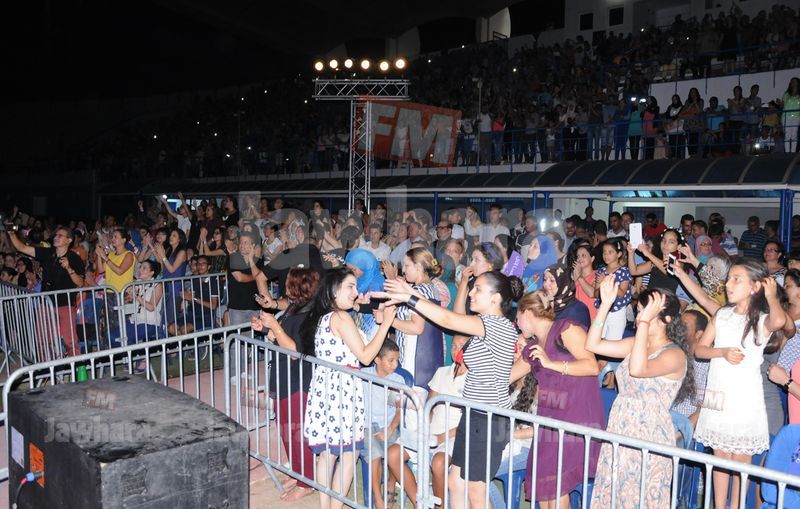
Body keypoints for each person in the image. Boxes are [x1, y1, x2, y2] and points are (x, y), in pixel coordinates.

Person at [375, 271, 519, 509]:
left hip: (489, 419)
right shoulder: (484, 325)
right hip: (473, 415)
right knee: (455, 481)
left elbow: (448, 319)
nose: (471, 293)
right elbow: (451, 316)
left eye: (478, 289)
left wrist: (411, 298)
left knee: (476, 490)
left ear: (495, 298)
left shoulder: (497, 325)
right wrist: (411, 293)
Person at [587, 279, 691, 508]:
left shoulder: (675, 355)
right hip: (621, 427)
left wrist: (642, 323)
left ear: (666, 319)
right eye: (640, 310)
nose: (639, 315)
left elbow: (638, 369)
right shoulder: (635, 343)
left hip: (650, 435)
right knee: (612, 496)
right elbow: (592, 345)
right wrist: (605, 305)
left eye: (646, 311)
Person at [302, 268, 397, 509]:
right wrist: (386, 324)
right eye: (350, 287)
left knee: (328, 453)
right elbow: (365, 356)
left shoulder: (325, 317)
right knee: (347, 453)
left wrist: (368, 314)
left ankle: (326, 506)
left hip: (328, 386)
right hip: (341, 390)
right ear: (334, 290)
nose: (356, 292)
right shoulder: (341, 318)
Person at [694, 259, 785, 509]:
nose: (728, 284)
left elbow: (779, 322)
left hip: (745, 399)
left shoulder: (762, 320)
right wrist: (721, 352)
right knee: (720, 457)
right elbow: (700, 349)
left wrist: (772, 295)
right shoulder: (721, 315)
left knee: (741, 460)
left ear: (754, 287)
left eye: (736, 279)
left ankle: (736, 506)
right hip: (718, 393)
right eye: (729, 279)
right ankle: (718, 505)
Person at [508, 289, 603, 509]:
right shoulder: (532, 347)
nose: (517, 324)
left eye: (518, 317)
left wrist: (551, 364)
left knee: (557, 483)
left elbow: (592, 366)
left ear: (528, 313)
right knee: (545, 485)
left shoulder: (566, 329)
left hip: (577, 416)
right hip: (549, 418)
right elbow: (507, 377)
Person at [250, 267, 320, 499]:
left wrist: (275, 326)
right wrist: (265, 329)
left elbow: (294, 351)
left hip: (298, 379)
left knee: (297, 431)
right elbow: (280, 338)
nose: (285, 286)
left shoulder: (308, 313)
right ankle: (298, 472)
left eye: (289, 283)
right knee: (285, 428)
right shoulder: (294, 307)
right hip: (284, 376)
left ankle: (306, 482)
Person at [385, 335, 469, 509]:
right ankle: (419, 502)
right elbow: (429, 407)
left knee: (438, 462)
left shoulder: (475, 379)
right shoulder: (442, 372)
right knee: (393, 454)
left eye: (461, 346)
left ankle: (440, 506)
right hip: (432, 431)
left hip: (456, 434)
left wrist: (441, 437)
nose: (456, 351)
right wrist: (424, 430)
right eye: (453, 346)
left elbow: (469, 421)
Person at [7, 226, 85, 356]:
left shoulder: (75, 259)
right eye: (55, 235)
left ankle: (75, 366)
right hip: (46, 303)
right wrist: (11, 233)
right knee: (41, 340)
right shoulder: (48, 253)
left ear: (69, 240)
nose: (56, 237)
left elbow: (80, 283)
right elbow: (22, 248)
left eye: (60, 235)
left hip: (65, 303)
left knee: (70, 341)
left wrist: (69, 268)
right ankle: (48, 366)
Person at [387, 247, 445, 387]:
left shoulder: (419, 291)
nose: (403, 270)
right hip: (425, 356)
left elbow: (416, 327)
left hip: (413, 357)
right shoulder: (431, 288)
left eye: (407, 265)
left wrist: (388, 320)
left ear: (418, 267)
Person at [170, 255, 220, 335]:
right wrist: (187, 297)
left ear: (209, 266)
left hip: (206, 316)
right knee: (171, 327)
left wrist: (195, 299)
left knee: (184, 329)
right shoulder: (195, 279)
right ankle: (184, 342)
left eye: (203, 264)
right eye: (198, 264)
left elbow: (213, 305)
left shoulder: (213, 281)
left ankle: (186, 341)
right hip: (193, 314)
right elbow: (192, 299)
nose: (200, 266)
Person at [122, 259, 165, 344]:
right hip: (134, 320)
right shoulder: (137, 283)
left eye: (144, 268)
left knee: (125, 337)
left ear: (151, 273)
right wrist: (128, 296)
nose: (140, 270)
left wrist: (137, 296)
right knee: (111, 336)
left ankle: (133, 351)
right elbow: (128, 300)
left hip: (149, 322)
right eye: (140, 267)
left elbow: (151, 307)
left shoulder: (157, 285)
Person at [226, 232, 263, 325]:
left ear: (253, 245)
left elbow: (260, 276)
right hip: (237, 307)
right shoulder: (233, 258)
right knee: (237, 333)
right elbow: (240, 278)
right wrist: (255, 277)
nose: (242, 245)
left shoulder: (258, 260)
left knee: (253, 334)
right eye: (241, 242)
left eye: (245, 242)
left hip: (254, 306)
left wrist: (251, 259)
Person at [95, 228, 135, 293]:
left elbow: (120, 271)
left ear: (123, 240)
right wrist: (99, 254)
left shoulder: (129, 255)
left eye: (115, 237)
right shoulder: (111, 254)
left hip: (121, 292)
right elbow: (101, 270)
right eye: (112, 237)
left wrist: (105, 257)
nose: (112, 239)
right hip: (109, 290)